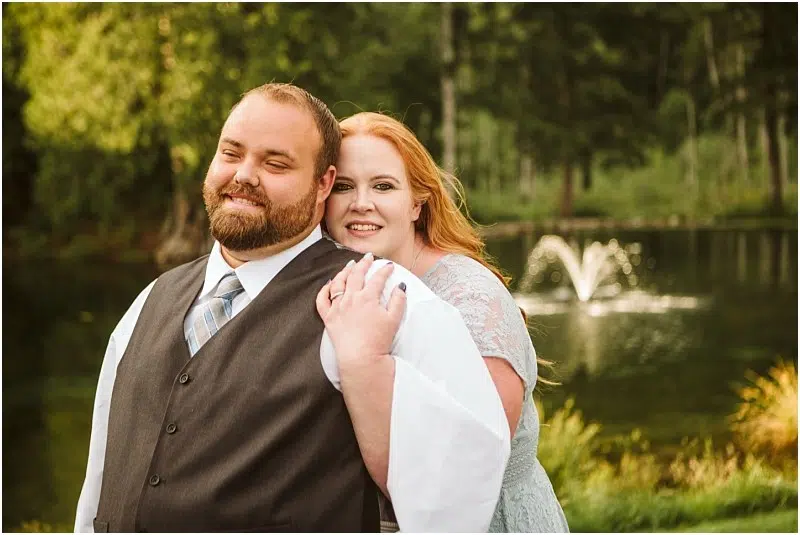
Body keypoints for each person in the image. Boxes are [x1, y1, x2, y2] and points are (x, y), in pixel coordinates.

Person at [74, 84, 510, 533]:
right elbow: (99, 482)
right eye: (231, 153)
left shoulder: (381, 295)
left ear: (323, 184)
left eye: (275, 163)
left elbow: (465, 475)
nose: (244, 174)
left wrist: (367, 365)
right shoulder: (150, 299)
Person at [323, 112, 570, 532]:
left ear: (417, 202)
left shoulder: (472, 299)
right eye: (344, 186)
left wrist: (363, 361)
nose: (361, 202)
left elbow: (458, 472)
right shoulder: (347, 283)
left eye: (383, 186)